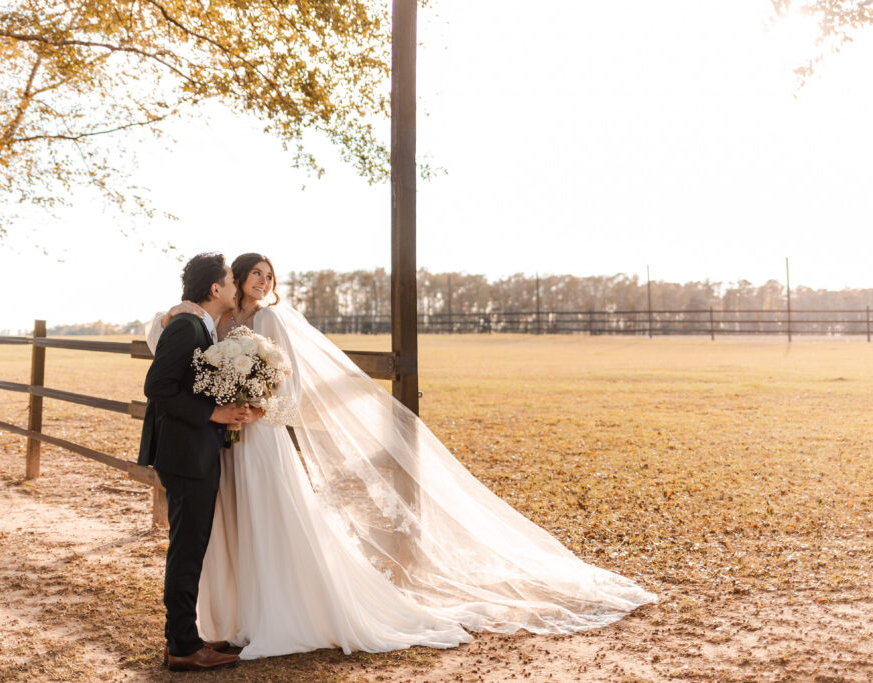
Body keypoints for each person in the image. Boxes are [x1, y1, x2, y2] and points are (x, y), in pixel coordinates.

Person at [146, 253, 656, 660]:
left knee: (270, 519)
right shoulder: (216, 322)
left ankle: (272, 612)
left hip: (256, 433)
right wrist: (211, 387)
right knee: (226, 529)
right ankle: (226, 620)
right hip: (223, 445)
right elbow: (180, 359)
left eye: (263, 275)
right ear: (224, 286)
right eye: (245, 275)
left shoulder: (272, 321)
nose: (253, 282)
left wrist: (256, 408)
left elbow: (285, 381)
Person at [137, 252, 253, 672]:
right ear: (215, 289)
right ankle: (183, 646)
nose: (235, 286)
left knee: (191, 547)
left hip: (193, 452)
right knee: (186, 550)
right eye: (229, 279)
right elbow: (159, 387)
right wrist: (212, 414)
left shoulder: (196, 325)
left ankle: (187, 636)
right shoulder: (186, 327)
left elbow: (186, 384)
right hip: (186, 456)